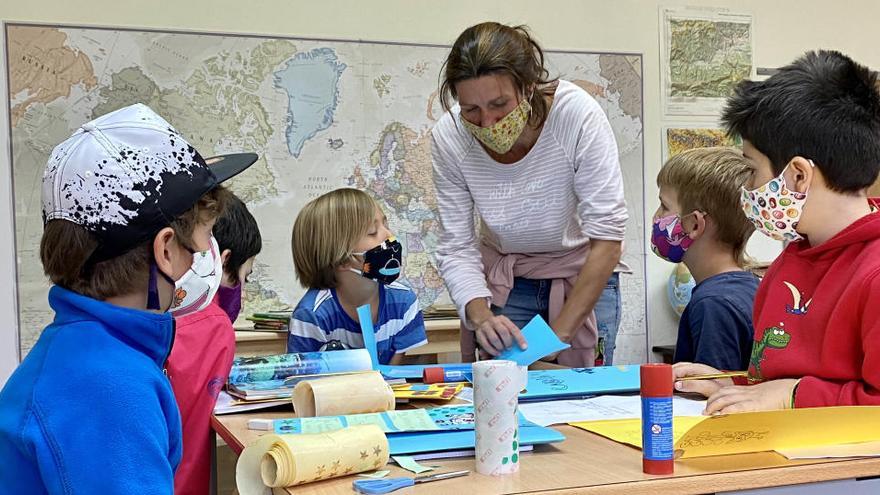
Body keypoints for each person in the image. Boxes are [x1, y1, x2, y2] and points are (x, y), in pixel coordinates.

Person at [0, 103, 256, 493]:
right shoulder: (111, 387)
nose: (203, 260)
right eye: (202, 242)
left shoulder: (86, 350)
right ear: (166, 250)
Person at [674, 50, 880, 412]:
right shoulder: (794, 257)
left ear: (798, 175)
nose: (748, 188)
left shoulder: (873, 273)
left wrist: (792, 395)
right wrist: (732, 384)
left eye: (752, 170)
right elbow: (778, 379)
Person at [432, 21, 628, 365]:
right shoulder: (449, 138)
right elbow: (457, 246)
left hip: (583, 278)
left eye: (499, 104)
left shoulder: (576, 115)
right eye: (471, 110)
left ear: (528, 86)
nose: (488, 123)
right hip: (511, 282)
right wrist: (481, 318)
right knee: (505, 399)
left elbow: (607, 238)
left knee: (585, 400)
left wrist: (558, 339)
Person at [167, 190, 262, 495]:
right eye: (244, 278)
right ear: (223, 260)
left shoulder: (157, 315)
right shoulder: (214, 326)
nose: (242, 295)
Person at [288, 188, 427, 364]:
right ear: (341, 260)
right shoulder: (312, 316)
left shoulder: (404, 302)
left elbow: (393, 379)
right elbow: (302, 382)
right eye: (372, 232)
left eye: (386, 224)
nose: (389, 236)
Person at [653, 147, 759, 371]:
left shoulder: (713, 304)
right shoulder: (749, 287)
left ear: (694, 224)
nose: (657, 216)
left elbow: (712, 394)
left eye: (664, 206)